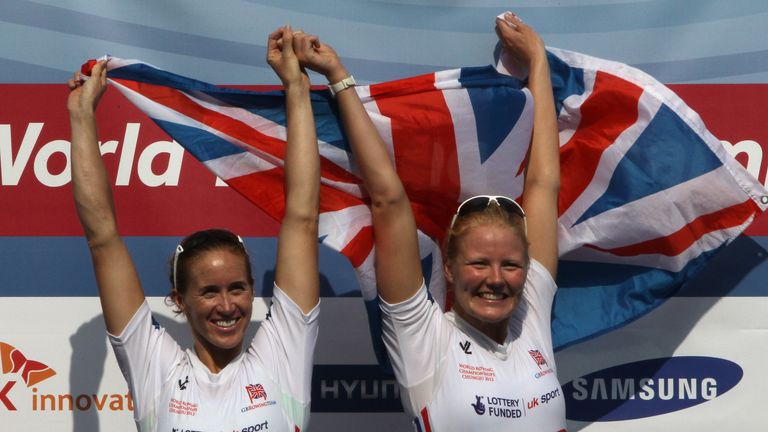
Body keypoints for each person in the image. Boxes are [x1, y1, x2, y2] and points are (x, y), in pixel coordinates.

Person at [293, 12, 566, 431]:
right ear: (451, 270)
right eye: (479, 263)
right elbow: (388, 199)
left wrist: (538, 64)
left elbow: (544, 184)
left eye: (510, 265)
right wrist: (338, 77)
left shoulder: (530, 317)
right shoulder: (422, 337)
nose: (496, 278)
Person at [68, 26, 321, 431]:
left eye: (236, 287)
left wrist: (296, 87)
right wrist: (81, 119)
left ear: (253, 290)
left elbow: (303, 218)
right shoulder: (156, 367)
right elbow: (102, 238)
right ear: (179, 300)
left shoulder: (282, 357)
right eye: (208, 291)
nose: (226, 306)